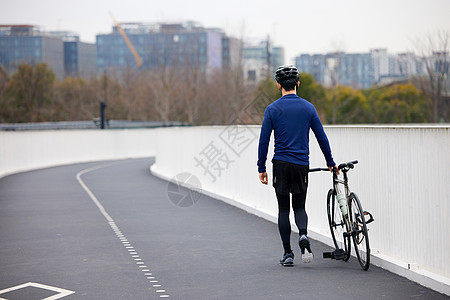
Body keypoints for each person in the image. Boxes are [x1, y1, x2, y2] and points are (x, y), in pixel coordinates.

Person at [257, 65, 338, 266]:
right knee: (300, 206)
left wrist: (261, 167)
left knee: (283, 209)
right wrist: (330, 162)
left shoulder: (272, 109)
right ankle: (303, 234)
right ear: (298, 84)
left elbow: (264, 141)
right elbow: (321, 138)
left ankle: (288, 253)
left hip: (281, 165)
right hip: (301, 164)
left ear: (278, 85)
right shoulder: (308, 108)